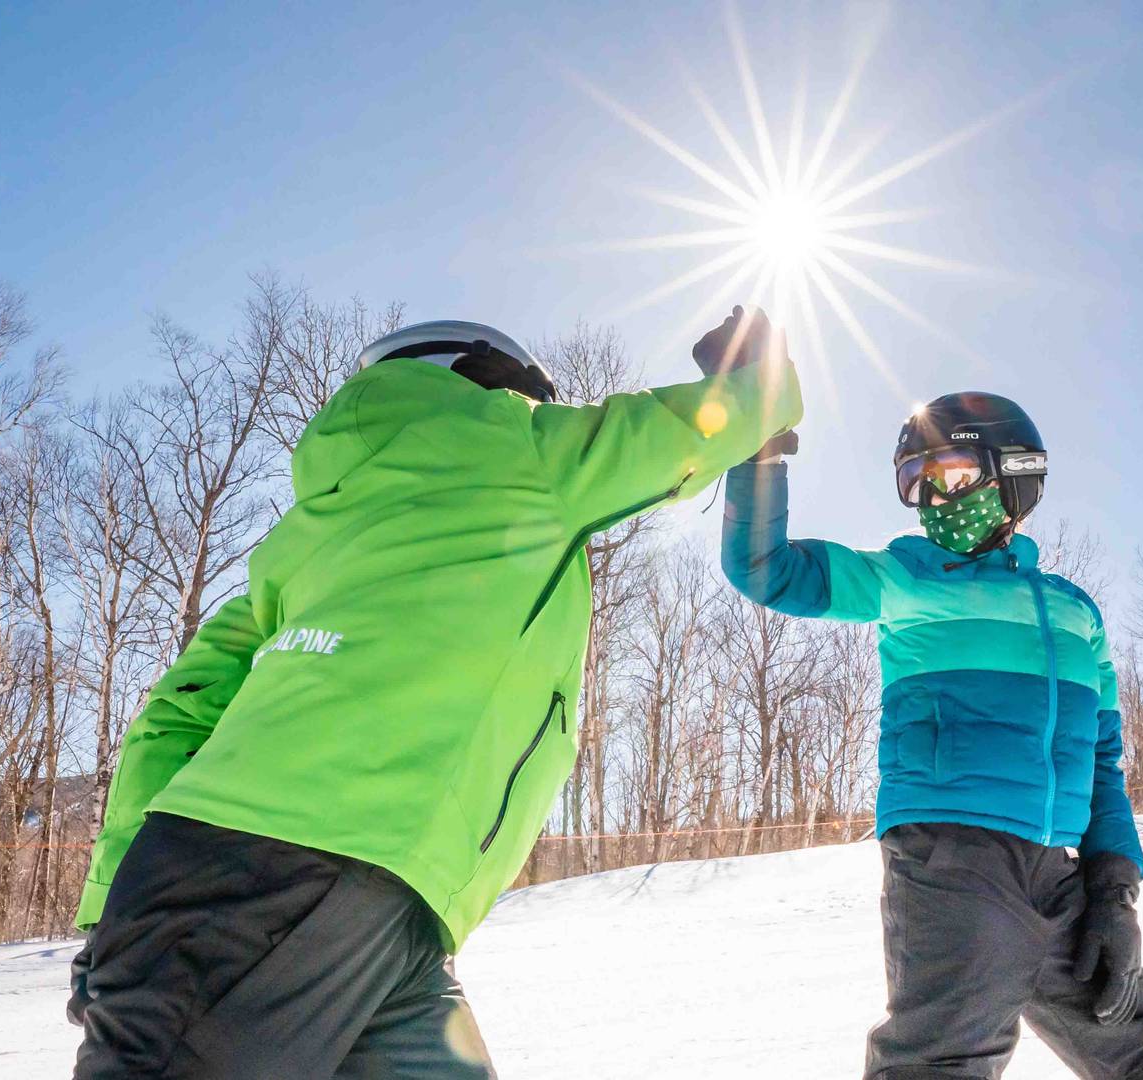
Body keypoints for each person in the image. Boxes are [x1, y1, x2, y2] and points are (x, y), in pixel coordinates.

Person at [68, 308, 801, 1078]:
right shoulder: (514, 443)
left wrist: (109, 905)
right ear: (494, 382)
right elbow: (693, 431)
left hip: (365, 910)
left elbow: (177, 710)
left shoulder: (307, 534)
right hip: (268, 885)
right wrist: (761, 375)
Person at [721, 392, 1143, 1079]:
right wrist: (758, 450)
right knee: (942, 1058)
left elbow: (1103, 762)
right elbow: (764, 570)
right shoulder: (901, 576)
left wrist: (1114, 889)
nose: (931, 500)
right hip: (950, 858)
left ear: (1013, 472)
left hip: (1059, 874)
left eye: (949, 475)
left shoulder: (1077, 614)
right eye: (913, 484)